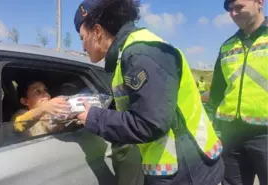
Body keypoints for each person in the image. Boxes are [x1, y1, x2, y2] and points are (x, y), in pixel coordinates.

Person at [73, 0, 224, 185]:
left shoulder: (141, 53)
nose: (82, 47)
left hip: (189, 170)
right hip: (174, 168)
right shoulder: (126, 55)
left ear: (97, 31)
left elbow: (150, 123)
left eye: (82, 38)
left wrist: (94, 118)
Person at [209, 0, 268, 184]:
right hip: (231, 135)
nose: (233, 13)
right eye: (229, 9)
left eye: (238, 7)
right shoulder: (227, 46)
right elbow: (217, 92)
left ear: (259, 2)